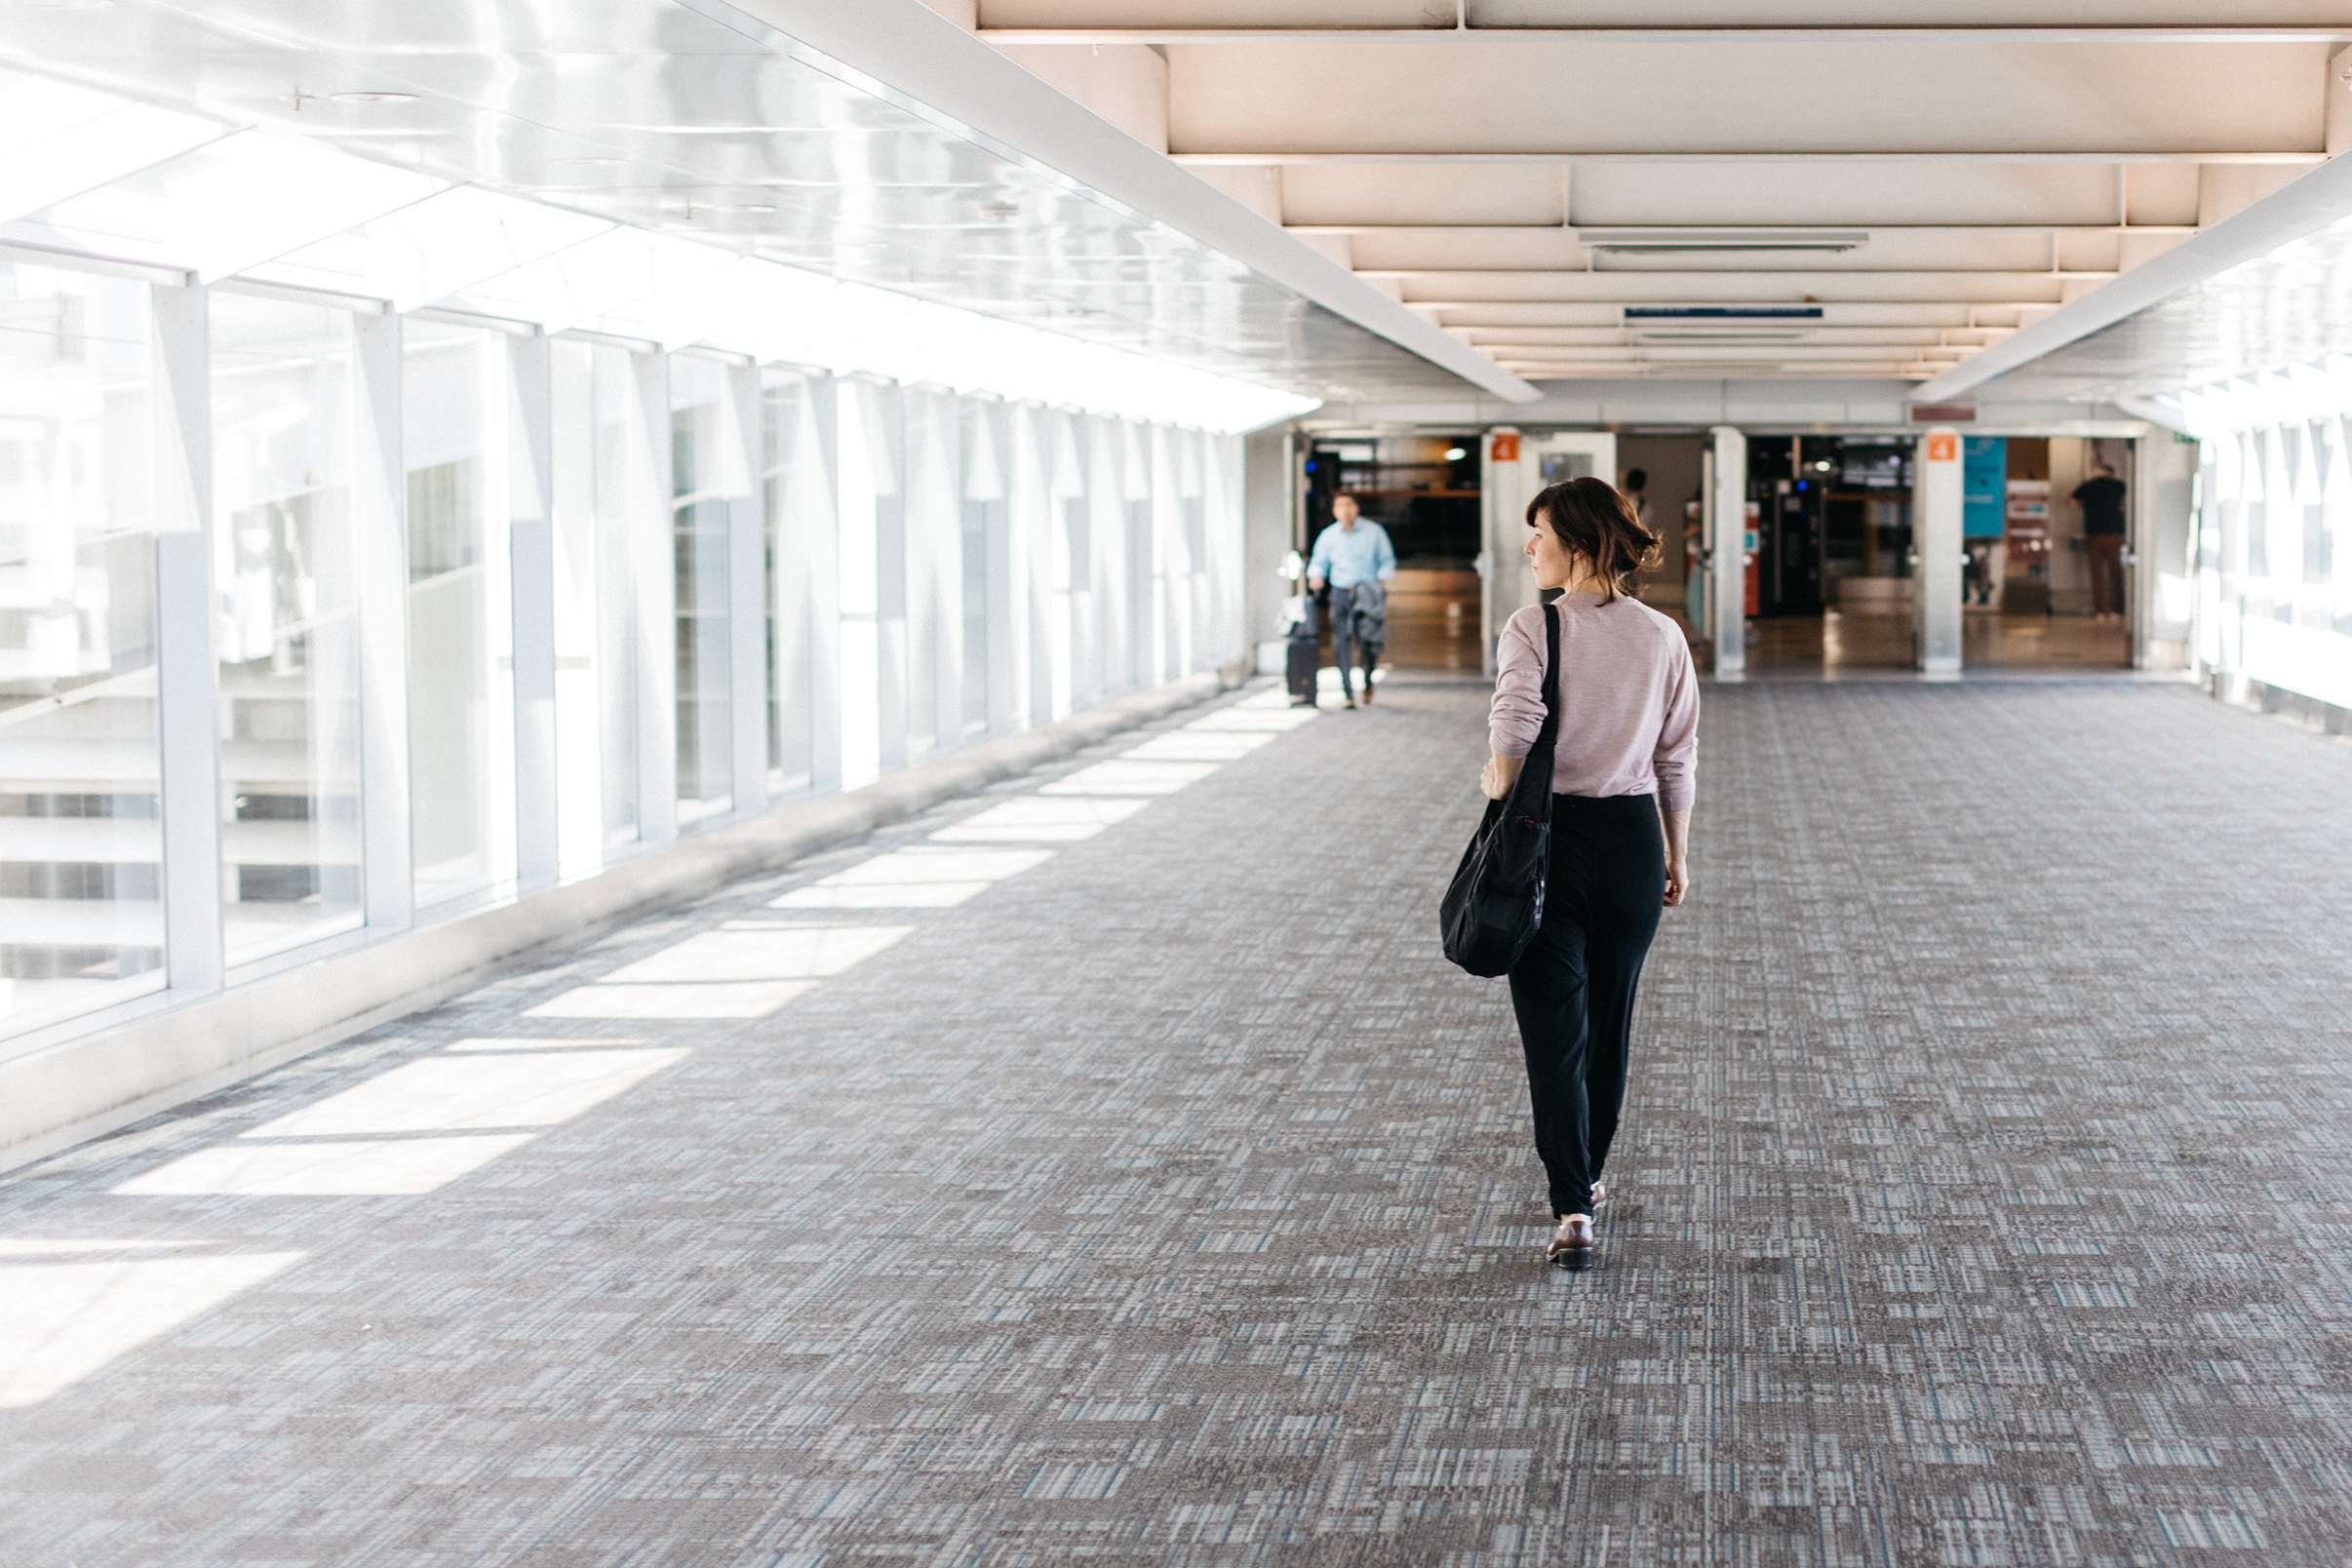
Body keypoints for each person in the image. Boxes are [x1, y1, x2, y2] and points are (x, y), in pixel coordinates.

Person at [1479, 477, 1698, 1266]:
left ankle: (1573, 1206)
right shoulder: (1663, 634)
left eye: (1537, 532)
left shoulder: (1534, 625)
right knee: (1609, 1021)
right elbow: (1677, 755)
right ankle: (1591, 1174)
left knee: (1552, 1032)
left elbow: (1513, 728)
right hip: (1635, 840)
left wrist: (1496, 781)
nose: (1528, 546)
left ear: (1573, 542)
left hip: (1549, 839)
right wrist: (1677, 852)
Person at [1306, 493, 1396, 708]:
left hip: (1367, 591)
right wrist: (1316, 575)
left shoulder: (1374, 532)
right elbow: (1319, 561)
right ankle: (1347, 692)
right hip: (1340, 593)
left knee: (1369, 642)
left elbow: (1387, 560)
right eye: (1339, 506)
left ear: (1355, 508)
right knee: (1341, 641)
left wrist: (1382, 578)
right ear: (1334, 511)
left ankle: (1368, 680)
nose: (1344, 510)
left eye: (1348, 505)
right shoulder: (1328, 535)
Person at [2072, 461, 2128, 621]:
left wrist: (2085, 505)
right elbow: (2127, 502)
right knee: (2115, 573)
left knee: (2096, 574)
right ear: (2112, 473)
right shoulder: (2119, 485)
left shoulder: (2089, 485)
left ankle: (2100, 612)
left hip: (2093, 534)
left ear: (2100, 472)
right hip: (2114, 534)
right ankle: (2115, 610)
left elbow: (2070, 501)